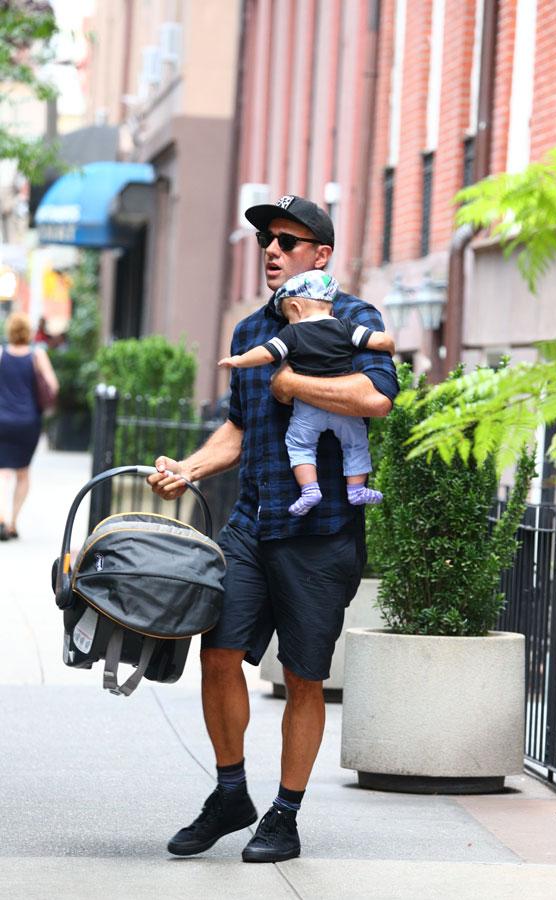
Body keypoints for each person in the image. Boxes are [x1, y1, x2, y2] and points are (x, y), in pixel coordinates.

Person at [148, 195, 398, 863]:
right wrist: (190, 468)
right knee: (219, 652)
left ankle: (284, 815)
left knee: (304, 676)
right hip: (251, 523)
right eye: (266, 239)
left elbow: (376, 397)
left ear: (321, 255)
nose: (272, 251)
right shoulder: (248, 329)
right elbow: (238, 424)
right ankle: (232, 792)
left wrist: (295, 383)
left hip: (321, 532)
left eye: (288, 241)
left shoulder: (355, 318)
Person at [218, 268, 395, 515]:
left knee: (299, 444)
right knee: (355, 444)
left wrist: (238, 360)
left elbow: (267, 352)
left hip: (308, 409)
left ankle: (309, 489)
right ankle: (356, 490)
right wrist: (391, 344)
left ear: (297, 309)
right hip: (341, 407)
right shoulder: (345, 327)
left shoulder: (291, 333)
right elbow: (378, 341)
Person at [0, 311, 59, 540]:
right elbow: (54, 386)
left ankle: (1, 517)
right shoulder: (37, 355)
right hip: (28, 421)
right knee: (23, 473)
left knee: (1, 472)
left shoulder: (2, 354)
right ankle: (13, 522)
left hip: (2, 420)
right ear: (28, 332)